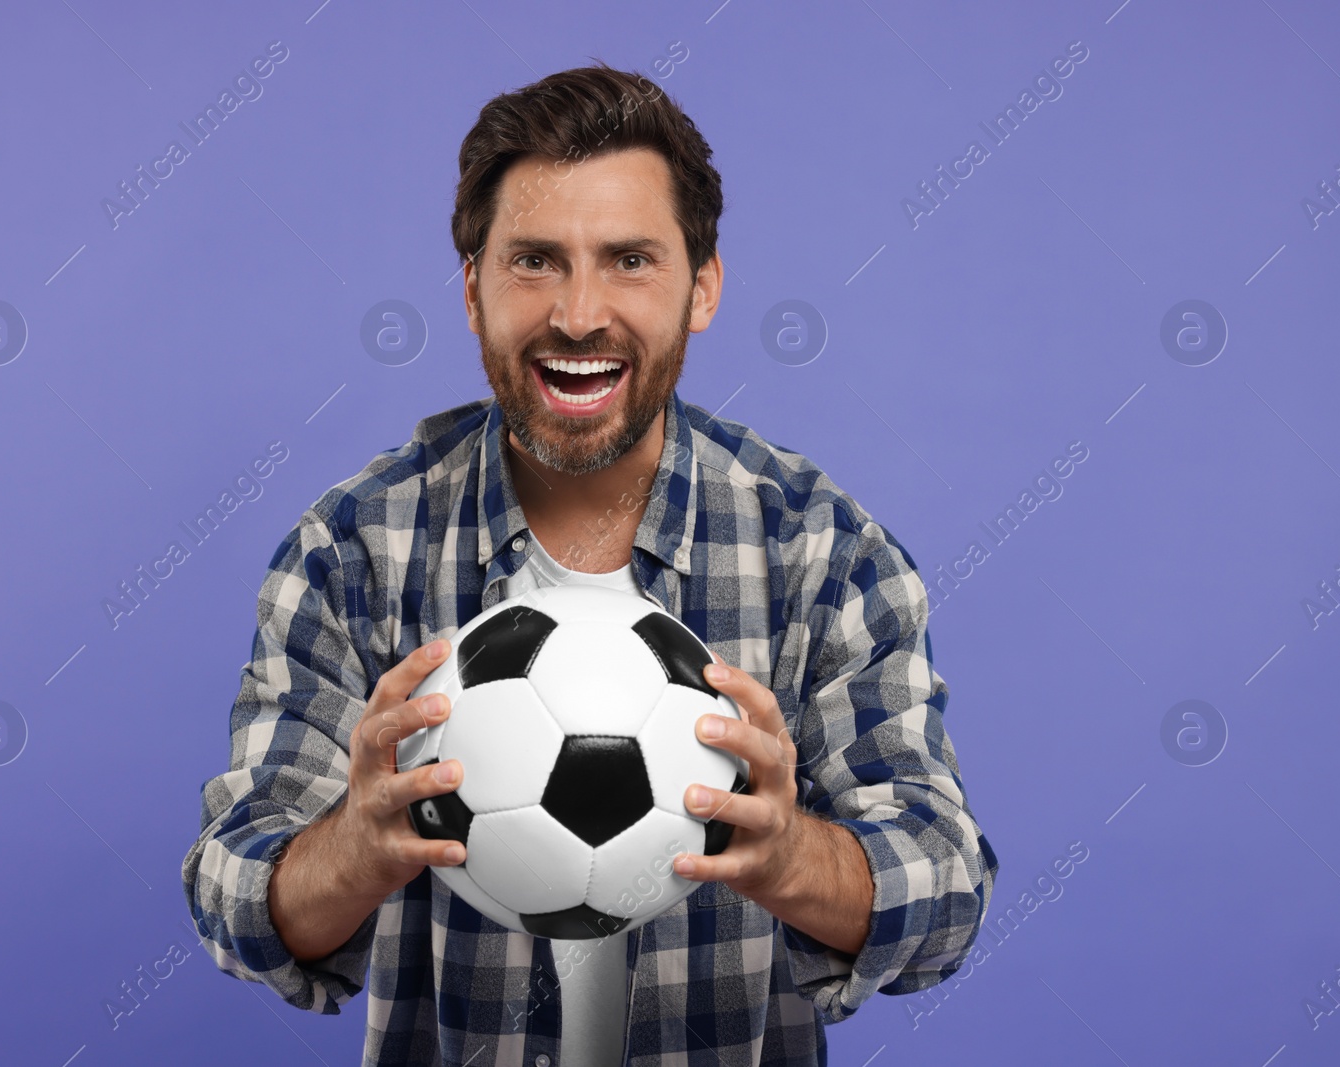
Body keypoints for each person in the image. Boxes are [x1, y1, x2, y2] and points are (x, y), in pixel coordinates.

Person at [182, 62, 997, 1066]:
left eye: (628, 260)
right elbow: (232, 890)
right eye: (533, 260)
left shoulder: (820, 551)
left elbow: (947, 889)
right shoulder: (355, 548)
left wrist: (795, 858)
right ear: (472, 287)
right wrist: (349, 848)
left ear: (701, 287)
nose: (577, 313)